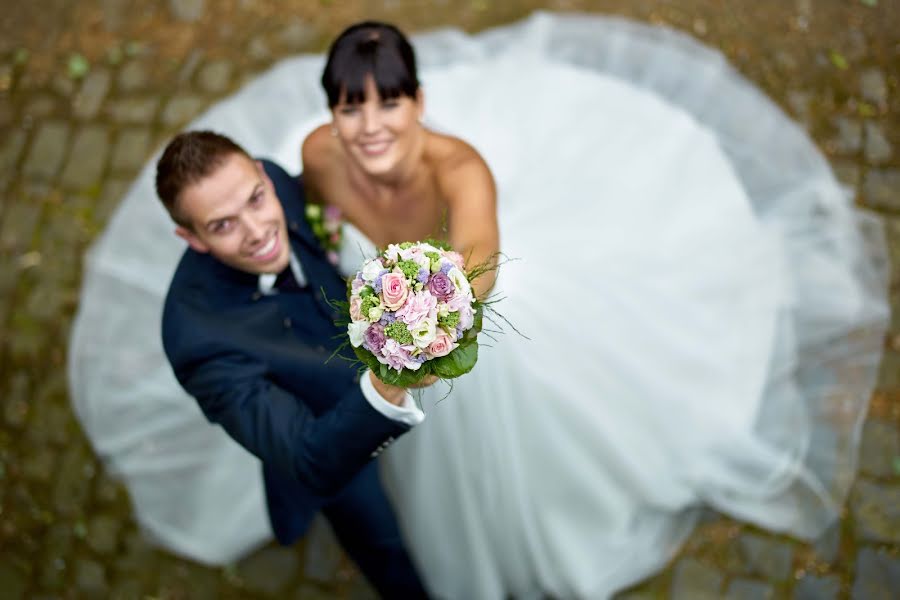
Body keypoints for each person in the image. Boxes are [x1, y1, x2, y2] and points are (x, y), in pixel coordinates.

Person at [68, 12, 890, 600]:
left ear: (418, 104)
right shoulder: (208, 332)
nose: (258, 227)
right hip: (337, 416)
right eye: (224, 223)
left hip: (436, 324)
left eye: (256, 196)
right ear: (190, 240)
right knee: (374, 528)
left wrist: (419, 325)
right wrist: (386, 378)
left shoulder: (433, 172)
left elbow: (478, 263)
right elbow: (315, 455)